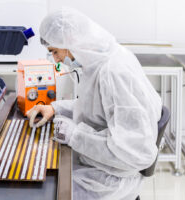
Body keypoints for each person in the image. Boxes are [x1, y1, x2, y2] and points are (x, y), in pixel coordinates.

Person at [27, 8, 162, 200]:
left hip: (110, 180)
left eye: (55, 52)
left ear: (70, 41)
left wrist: (74, 135)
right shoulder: (98, 63)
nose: (56, 59)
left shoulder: (114, 72)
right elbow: (95, 108)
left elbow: (136, 152)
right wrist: (54, 108)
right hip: (99, 165)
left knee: (47, 191)